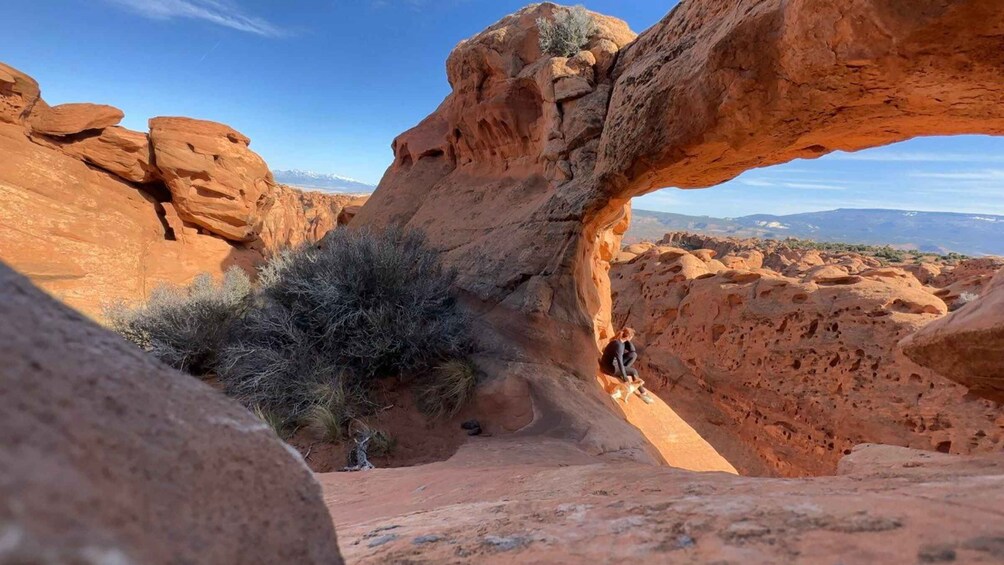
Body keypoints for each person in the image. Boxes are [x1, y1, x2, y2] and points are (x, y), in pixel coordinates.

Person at [603, 327, 655, 404]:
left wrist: (628, 340)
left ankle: (624, 372)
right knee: (633, 371)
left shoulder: (619, 341)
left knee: (633, 355)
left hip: (609, 364)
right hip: (611, 368)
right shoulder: (619, 346)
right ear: (628, 337)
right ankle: (643, 393)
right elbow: (620, 362)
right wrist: (626, 379)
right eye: (631, 337)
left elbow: (632, 350)